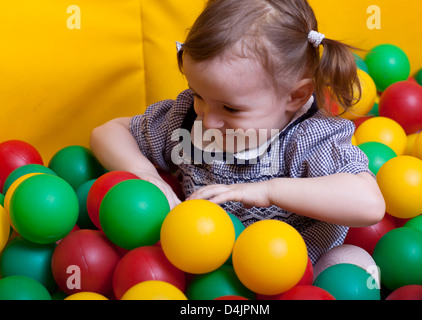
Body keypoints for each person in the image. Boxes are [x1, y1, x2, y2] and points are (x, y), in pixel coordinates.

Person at [90, 0, 385, 264]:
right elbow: (107, 132)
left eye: (231, 109)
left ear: (294, 97)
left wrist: (268, 191)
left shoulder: (309, 138)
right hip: (197, 257)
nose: (209, 120)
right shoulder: (186, 119)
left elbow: (369, 204)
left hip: (289, 268)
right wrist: (148, 175)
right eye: (198, 94)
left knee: (351, 260)